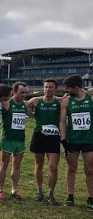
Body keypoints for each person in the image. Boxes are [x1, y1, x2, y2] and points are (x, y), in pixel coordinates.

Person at [59, 74, 93, 210]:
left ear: (76, 87)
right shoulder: (67, 101)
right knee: (71, 168)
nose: (66, 91)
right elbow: (62, 121)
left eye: (68, 88)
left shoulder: (90, 98)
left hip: (89, 140)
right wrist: (63, 139)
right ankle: (70, 196)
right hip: (72, 140)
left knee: (90, 170)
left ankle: (90, 198)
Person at [27, 79, 61, 205]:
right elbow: (25, 105)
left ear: (55, 89)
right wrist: (31, 114)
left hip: (54, 137)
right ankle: (39, 191)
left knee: (53, 166)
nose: (47, 89)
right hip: (39, 135)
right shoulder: (36, 100)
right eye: (46, 87)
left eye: (50, 87)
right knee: (38, 164)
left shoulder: (59, 101)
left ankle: (50, 193)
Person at [0, 82, 33, 200]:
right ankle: (0, 190)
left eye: (25, 92)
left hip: (20, 139)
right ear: (14, 92)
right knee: (4, 164)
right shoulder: (6, 103)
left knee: (17, 165)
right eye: (21, 92)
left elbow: (33, 115)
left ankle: (14, 189)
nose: (24, 95)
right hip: (7, 138)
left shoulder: (25, 105)